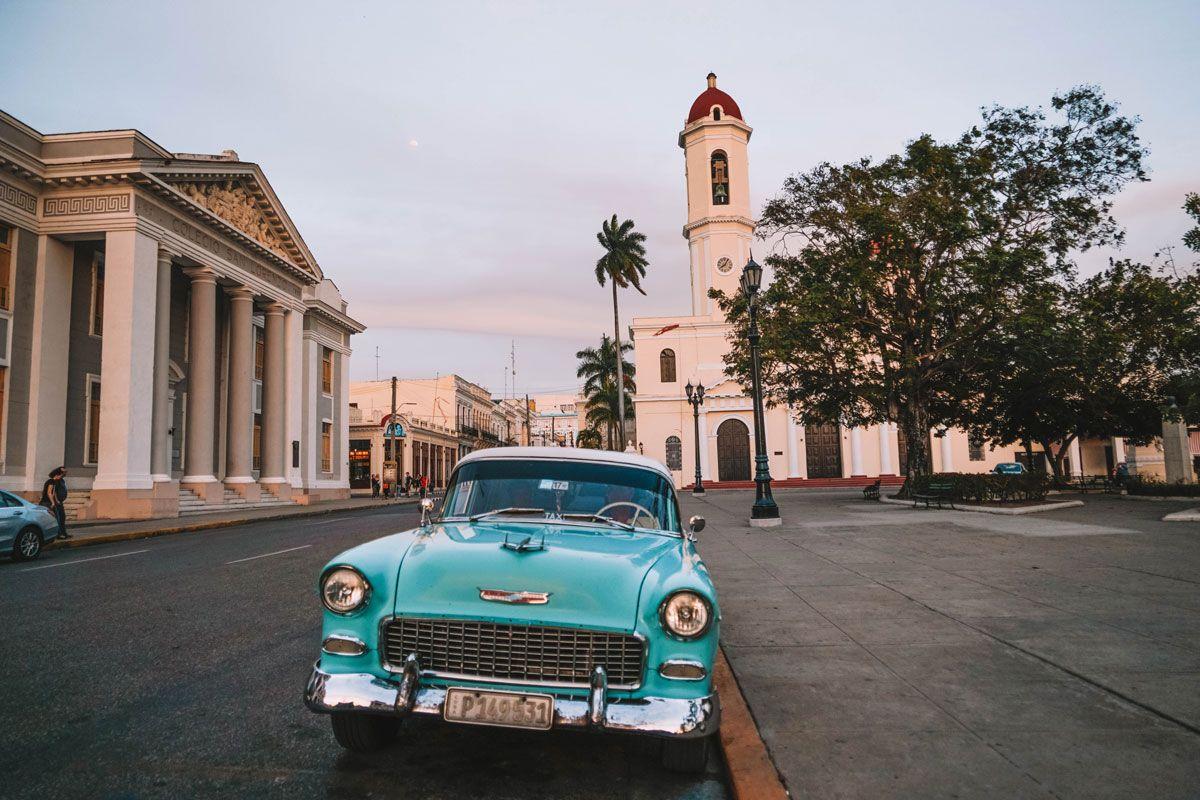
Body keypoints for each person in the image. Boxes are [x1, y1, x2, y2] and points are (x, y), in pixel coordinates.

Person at [40, 466, 70, 540]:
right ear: (56, 475)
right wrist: (53, 503)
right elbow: (49, 493)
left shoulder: (56, 482)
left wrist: (57, 501)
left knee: (59, 518)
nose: (61, 476)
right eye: (60, 475)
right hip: (47, 502)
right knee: (56, 519)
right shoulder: (51, 481)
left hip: (53, 502)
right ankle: (57, 534)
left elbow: (54, 493)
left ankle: (61, 533)